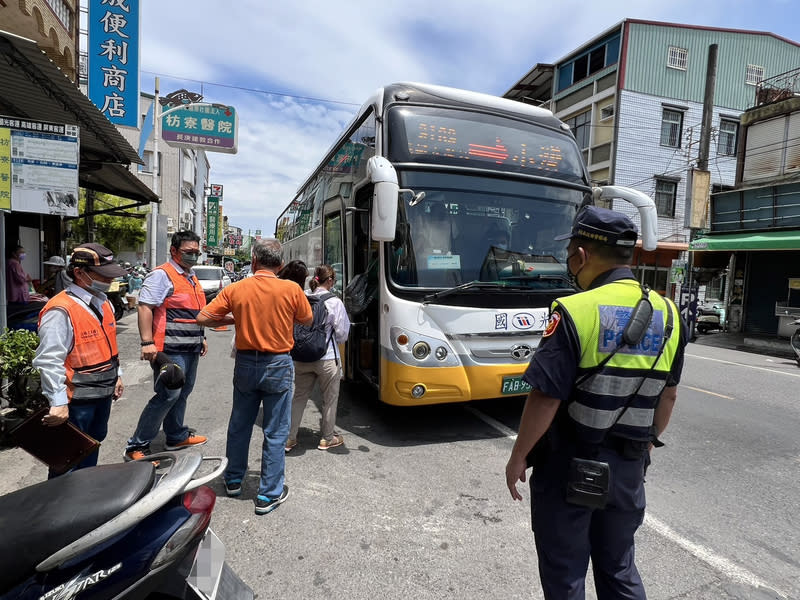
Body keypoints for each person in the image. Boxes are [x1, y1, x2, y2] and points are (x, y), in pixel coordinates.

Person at [504, 206, 687, 600]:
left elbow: (545, 397)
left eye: (570, 251)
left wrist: (519, 455)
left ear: (581, 255)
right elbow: (668, 395)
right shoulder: (670, 315)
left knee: (565, 571)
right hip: (628, 469)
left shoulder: (573, 310)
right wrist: (645, 444)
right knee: (618, 566)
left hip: (568, 464)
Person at [196, 238, 312, 515]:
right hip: (278, 364)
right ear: (281, 264)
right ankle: (268, 494)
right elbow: (306, 319)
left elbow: (203, 317)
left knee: (240, 424)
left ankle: (234, 480)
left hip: (246, 364)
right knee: (275, 431)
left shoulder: (237, 288)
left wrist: (236, 318)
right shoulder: (292, 289)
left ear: (254, 261)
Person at [32, 243, 128, 475]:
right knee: (67, 460)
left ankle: (82, 502)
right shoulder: (60, 309)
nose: (108, 280)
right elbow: (49, 360)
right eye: (103, 275)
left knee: (91, 448)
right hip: (76, 402)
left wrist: (117, 376)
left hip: (102, 394)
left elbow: (108, 344)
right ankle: (58, 508)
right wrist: (58, 403)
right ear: (79, 273)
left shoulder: (104, 302)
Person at [124, 231, 208, 461]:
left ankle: (175, 435)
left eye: (196, 252)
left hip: (189, 347)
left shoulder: (190, 276)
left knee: (183, 393)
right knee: (168, 395)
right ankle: (136, 446)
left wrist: (202, 338)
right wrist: (147, 342)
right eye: (188, 252)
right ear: (174, 251)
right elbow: (145, 307)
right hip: (168, 349)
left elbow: (193, 312)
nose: (193, 256)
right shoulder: (162, 275)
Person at [286, 264, 351, 452]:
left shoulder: (303, 296)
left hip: (300, 357)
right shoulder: (334, 302)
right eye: (334, 281)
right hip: (326, 358)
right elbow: (342, 334)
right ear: (329, 280)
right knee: (330, 399)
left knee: (298, 397)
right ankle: (327, 439)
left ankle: (289, 439)